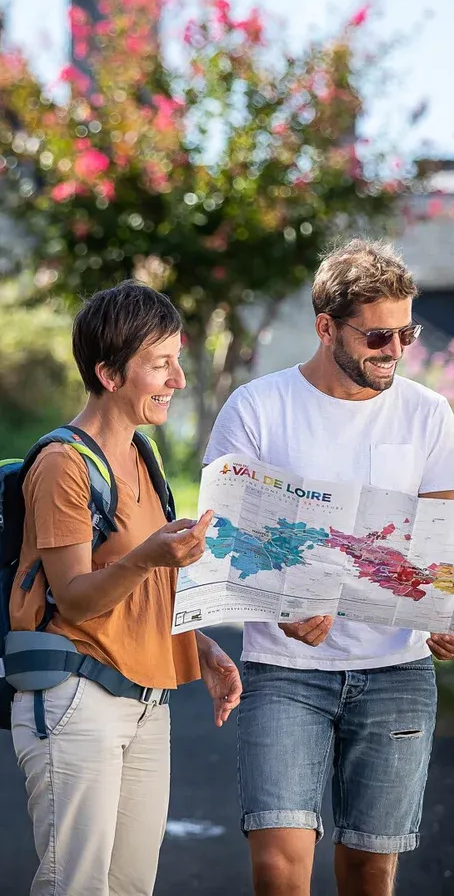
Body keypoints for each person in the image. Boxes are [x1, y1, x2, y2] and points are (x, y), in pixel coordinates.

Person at [205, 239, 454, 896]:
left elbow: (445, 550)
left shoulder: (428, 413)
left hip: (396, 672)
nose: (396, 348)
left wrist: (453, 616)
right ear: (326, 327)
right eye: (379, 334)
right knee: (277, 865)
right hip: (284, 671)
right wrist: (281, 601)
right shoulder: (256, 407)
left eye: (406, 331)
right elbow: (222, 536)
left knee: (370, 869)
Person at [10, 281, 242, 896]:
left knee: (131, 887)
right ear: (109, 373)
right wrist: (144, 557)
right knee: (75, 886)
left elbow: (151, 590)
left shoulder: (142, 455)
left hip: (146, 704)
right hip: (74, 698)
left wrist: (205, 650)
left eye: (177, 360)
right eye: (160, 364)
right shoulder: (64, 463)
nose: (178, 380)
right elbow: (76, 598)